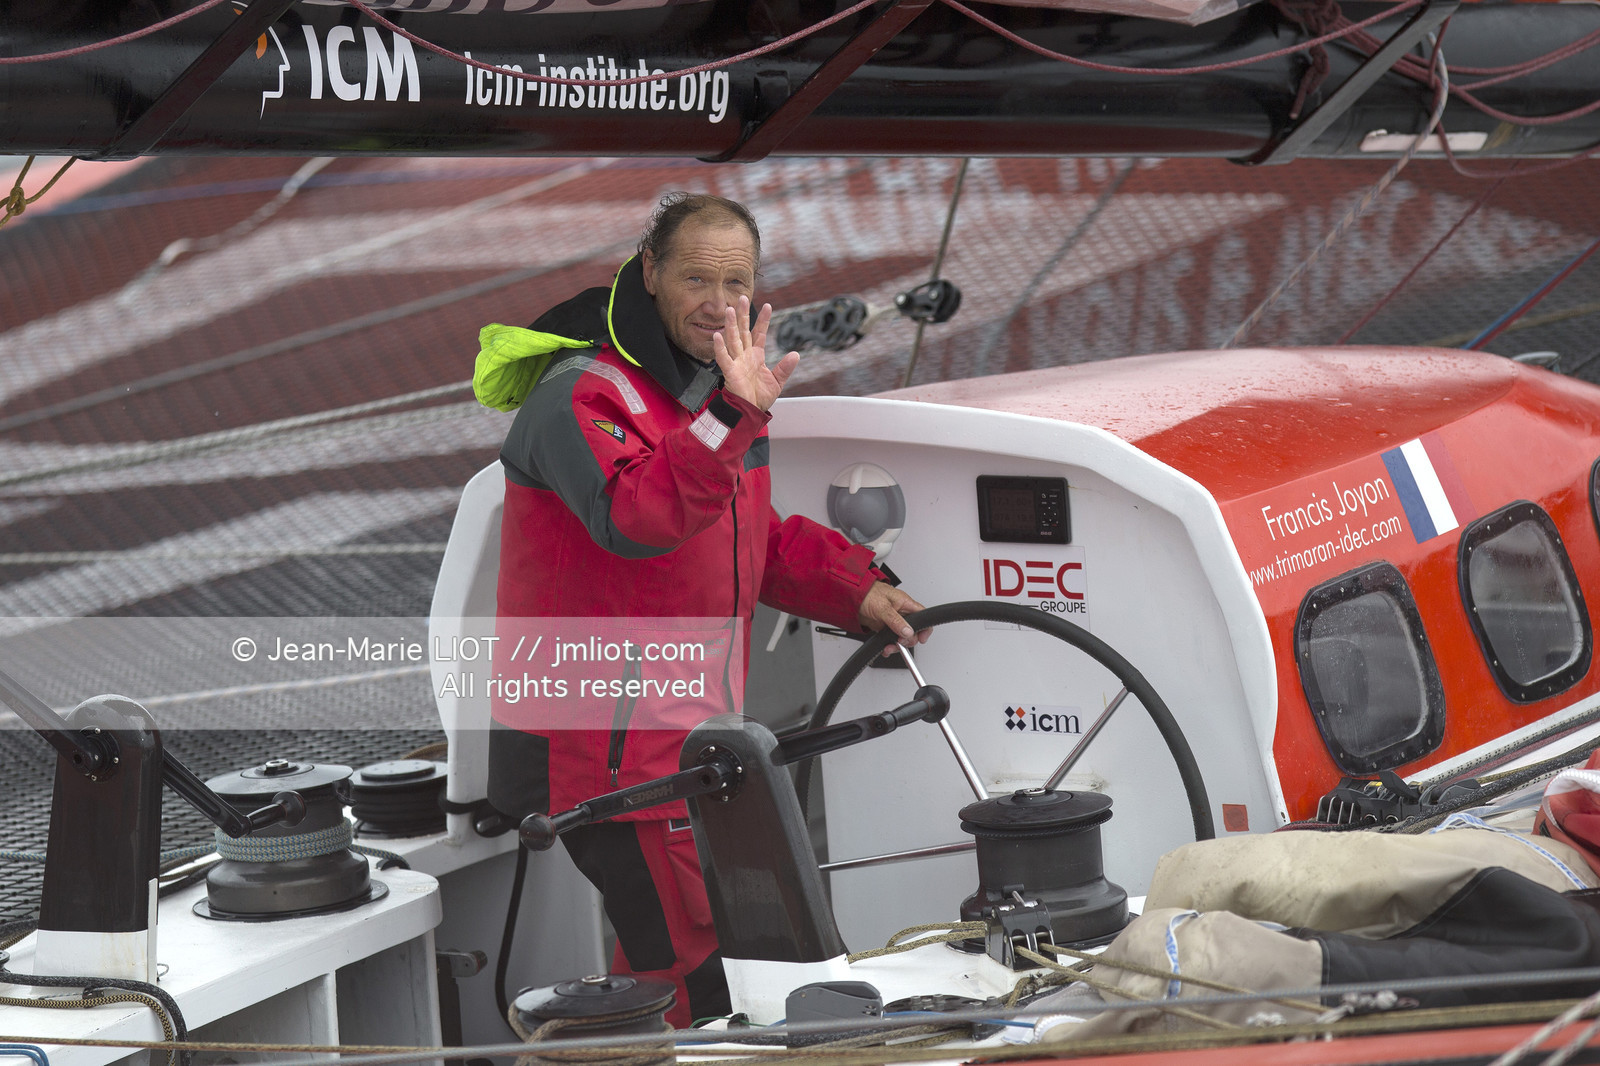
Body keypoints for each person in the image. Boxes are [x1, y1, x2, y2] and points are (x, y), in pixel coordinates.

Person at [481, 192, 926, 1027]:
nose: (718, 303)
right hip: (604, 761)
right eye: (696, 277)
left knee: (712, 968)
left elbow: (741, 534)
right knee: (689, 977)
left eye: (737, 282)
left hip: (681, 747)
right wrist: (734, 411)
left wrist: (848, 585)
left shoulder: (713, 394)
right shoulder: (582, 396)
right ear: (648, 272)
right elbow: (641, 518)